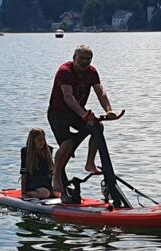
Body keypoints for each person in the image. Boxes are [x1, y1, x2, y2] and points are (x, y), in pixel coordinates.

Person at [47, 45, 117, 200]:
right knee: (67, 144)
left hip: (76, 112)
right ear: (74, 57)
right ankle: (56, 176)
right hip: (58, 114)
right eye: (82, 58)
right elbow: (68, 97)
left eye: (88, 59)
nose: (85, 62)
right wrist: (84, 115)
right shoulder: (65, 71)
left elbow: (100, 91)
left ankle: (90, 163)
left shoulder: (92, 72)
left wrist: (109, 110)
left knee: (97, 127)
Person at [20, 128, 59, 199]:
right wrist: (23, 192)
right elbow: (24, 174)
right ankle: (29, 193)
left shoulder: (48, 150)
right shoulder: (26, 152)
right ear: (33, 141)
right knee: (45, 194)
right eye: (39, 140)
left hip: (46, 182)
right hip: (33, 183)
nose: (42, 142)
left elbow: (52, 171)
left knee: (59, 193)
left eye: (43, 139)